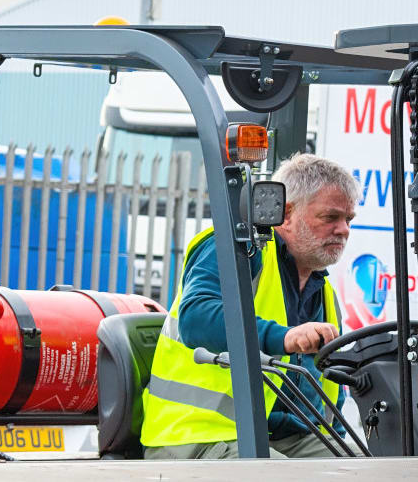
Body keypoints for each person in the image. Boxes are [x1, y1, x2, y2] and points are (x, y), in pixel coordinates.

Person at [140, 153, 358, 459]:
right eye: (330, 217)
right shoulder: (236, 250)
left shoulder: (323, 293)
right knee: (275, 476)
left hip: (285, 437)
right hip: (197, 434)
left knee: (362, 468)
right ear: (286, 213)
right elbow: (196, 318)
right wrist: (284, 337)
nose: (343, 229)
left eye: (348, 219)